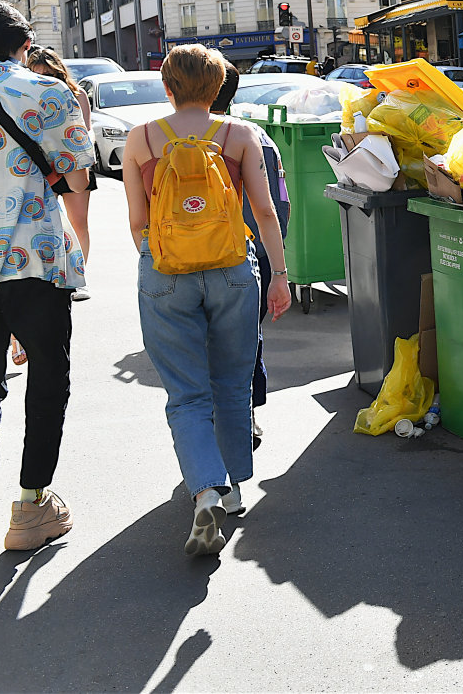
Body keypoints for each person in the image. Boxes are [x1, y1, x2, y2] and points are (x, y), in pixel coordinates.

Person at [121, 45, 291, 557]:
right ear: (218, 88)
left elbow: (135, 221)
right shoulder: (239, 136)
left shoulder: (140, 139)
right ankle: (234, 489)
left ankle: (204, 489)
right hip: (233, 268)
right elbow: (263, 212)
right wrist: (280, 275)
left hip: (165, 270)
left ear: (166, 87)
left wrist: (160, 259)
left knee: (187, 393)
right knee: (232, 383)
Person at [0, 1, 92, 583]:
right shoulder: (48, 93)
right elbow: (77, 174)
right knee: (47, 377)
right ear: (23, 44)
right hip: (36, 258)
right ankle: (31, 504)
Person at [209, 63, 290, 450]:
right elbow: (276, 208)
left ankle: (208, 422)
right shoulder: (254, 137)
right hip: (246, 263)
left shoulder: (162, 136)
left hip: (182, 265)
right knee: (245, 342)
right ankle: (246, 415)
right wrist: (277, 270)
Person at [25, 47, 94, 302]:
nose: (46, 79)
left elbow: (84, 130)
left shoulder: (76, 94)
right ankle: (53, 276)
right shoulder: (26, 96)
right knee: (47, 223)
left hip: (74, 162)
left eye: (50, 74)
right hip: (43, 167)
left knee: (79, 223)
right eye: (38, 74)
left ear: (60, 72)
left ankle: (80, 278)